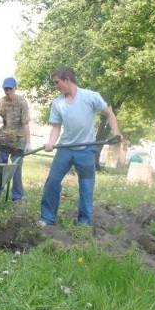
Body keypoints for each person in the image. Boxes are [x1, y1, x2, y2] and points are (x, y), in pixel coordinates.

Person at [39, 67, 121, 226]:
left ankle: (84, 223)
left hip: (86, 149)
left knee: (86, 187)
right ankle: (47, 218)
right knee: (52, 181)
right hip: (65, 148)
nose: (56, 86)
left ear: (67, 80)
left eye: (57, 82)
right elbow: (56, 127)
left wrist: (116, 132)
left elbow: (109, 113)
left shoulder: (91, 97)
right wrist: (51, 143)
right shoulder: (57, 103)